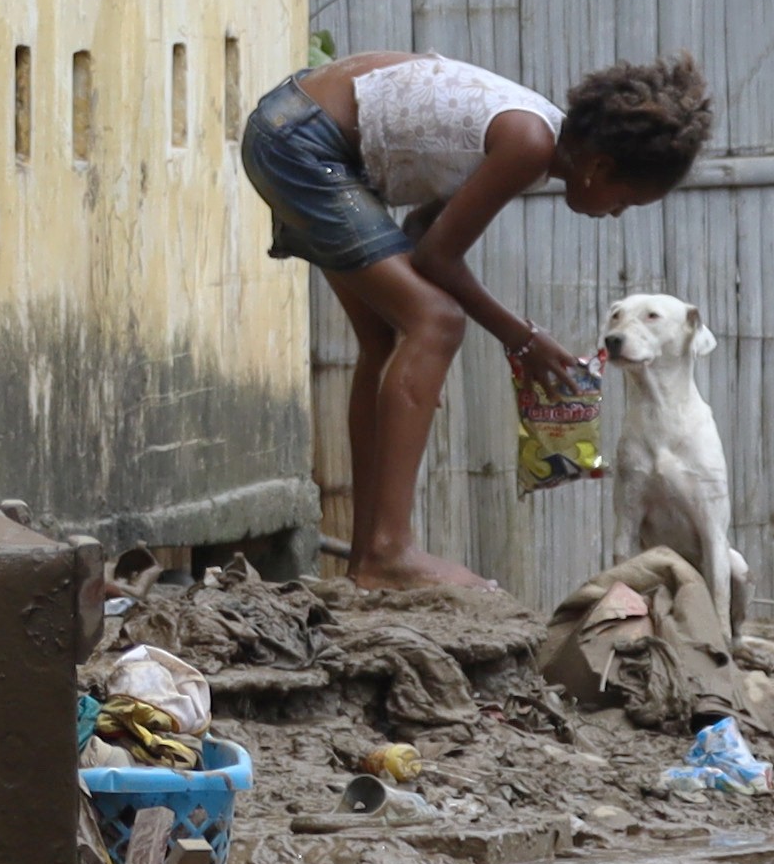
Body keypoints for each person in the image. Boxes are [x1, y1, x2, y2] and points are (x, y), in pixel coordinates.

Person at [240, 47, 713, 595]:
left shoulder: (534, 141)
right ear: (600, 167)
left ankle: (369, 558)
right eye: (625, 200)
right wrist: (524, 338)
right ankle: (390, 553)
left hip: (296, 126)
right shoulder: (529, 143)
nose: (614, 214)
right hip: (303, 141)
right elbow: (435, 260)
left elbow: (421, 230)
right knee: (436, 322)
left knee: (387, 335)